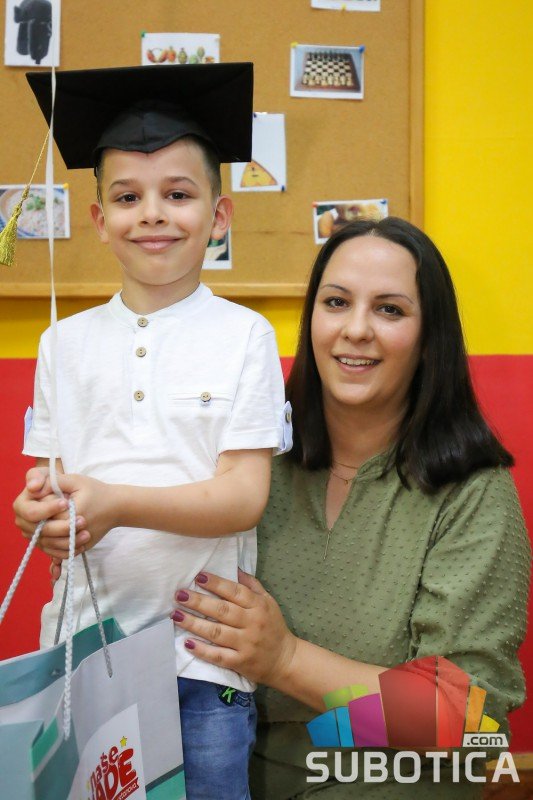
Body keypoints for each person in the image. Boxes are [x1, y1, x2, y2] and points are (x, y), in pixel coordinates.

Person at [165, 217, 530, 798]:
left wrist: (285, 661)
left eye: (389, 309)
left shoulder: (473, 491)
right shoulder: (245, 465)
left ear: (429, 337)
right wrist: (78, 521)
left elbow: (469, 725)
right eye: (336, 302)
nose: (356, 330)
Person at [13, 63, 290, 800]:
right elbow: (50, 481)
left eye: (178, 194)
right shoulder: (62, 343)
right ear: (99, 219)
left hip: (201, 654)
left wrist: (116, 503)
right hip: (81, 650)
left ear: (219, 215)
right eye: (128, 197)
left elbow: (243, 497)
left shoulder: (245, 337)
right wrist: (37, 512)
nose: (153, 215)